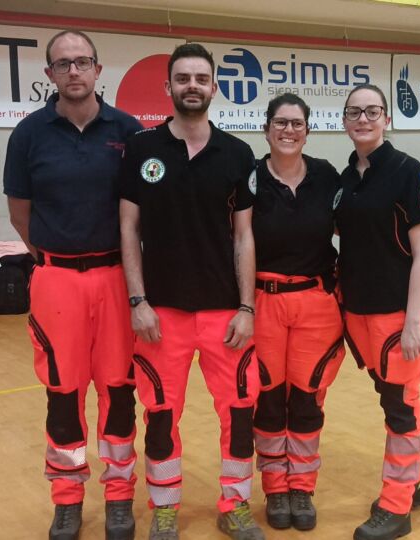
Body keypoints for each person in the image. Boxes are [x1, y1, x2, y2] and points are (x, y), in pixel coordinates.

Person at [118, 43, 263, 540]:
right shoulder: (141, 149)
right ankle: (164, 508)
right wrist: (137, 301)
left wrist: (248, 307)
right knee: (160, 417)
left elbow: (244, 236)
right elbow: (128, 230)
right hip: (161, 315)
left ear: (214, 87)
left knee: (240, 416)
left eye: (202, 78)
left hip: (226, 314)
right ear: (168, 88)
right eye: (183, 78)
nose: (193, 85)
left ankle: (235, 505)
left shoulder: (238, 154)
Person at [3, 30, 143, 540]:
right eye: (63, 65)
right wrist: (51, 255)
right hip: (56, 279)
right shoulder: (28, 135)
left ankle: (120, 496)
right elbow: (20, 214)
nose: (74, 72)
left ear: (98, 70)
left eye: (83, 62)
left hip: (115, 279)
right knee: (62, 393)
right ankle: (66, 499)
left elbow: (142, 212)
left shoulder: (129, 131)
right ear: (50, 75)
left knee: (119, 391)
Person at [335, 84, 420, 540]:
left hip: (398, 317)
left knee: (401, 407)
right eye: (354, 112)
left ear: (386, 118)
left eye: (372, 111)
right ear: (344, 120)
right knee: (389, 398)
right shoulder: (346, 178)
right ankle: (413, 481)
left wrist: (413, 320)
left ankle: (396, 506)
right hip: (358, 313)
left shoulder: (408, 172)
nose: (363, 118)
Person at [248, 94, 345, 532]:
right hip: (263, 299)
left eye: (297, 123)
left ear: (308, 130)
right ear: (266, 128)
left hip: (316, 303)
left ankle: (302, 486)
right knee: (268, 398)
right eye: (281, 123)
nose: (289, 130)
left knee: (307, 399)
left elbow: (360, 228)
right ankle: (275, 487)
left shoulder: (326, 176)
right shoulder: (248, 177)